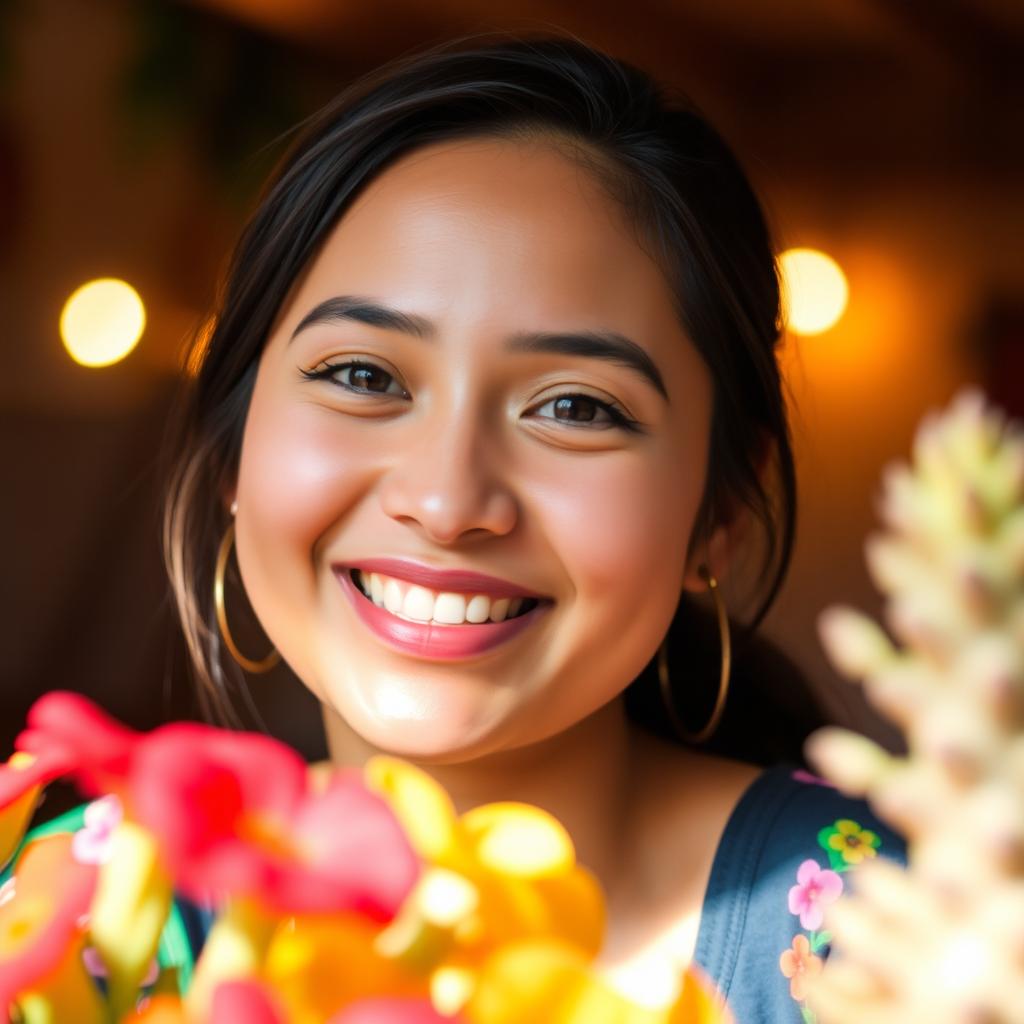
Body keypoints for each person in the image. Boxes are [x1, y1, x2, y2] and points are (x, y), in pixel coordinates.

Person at [11, 34, 906, 1023]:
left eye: (574, 406)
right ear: (233, 451)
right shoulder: (75, 920)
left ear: (720, 513)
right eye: (362, 376)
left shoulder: (902, 941)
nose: (444, 501)